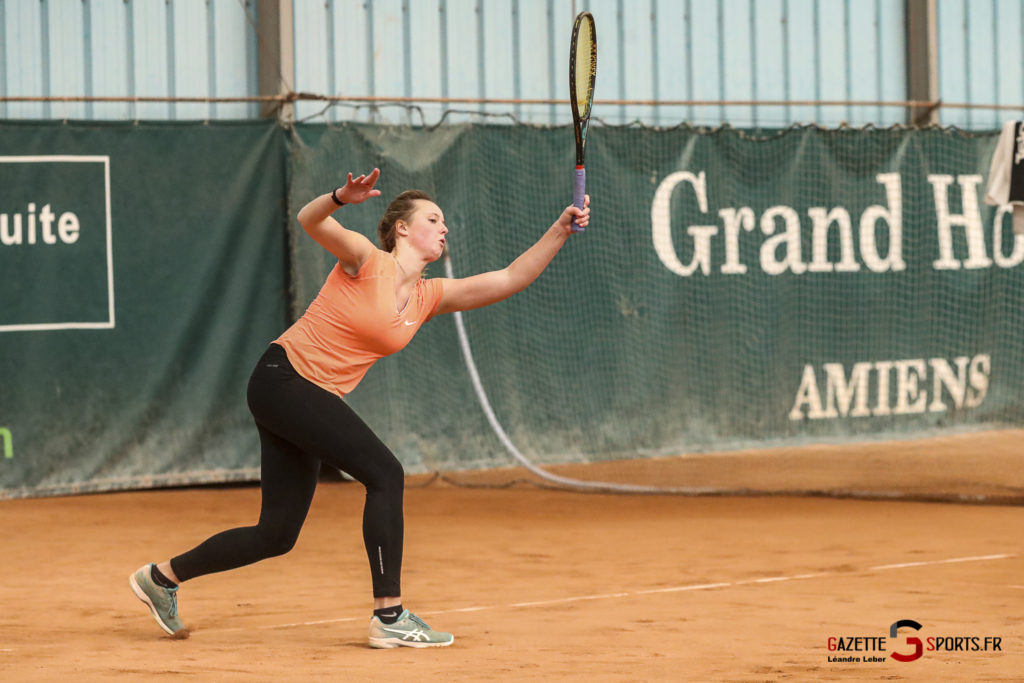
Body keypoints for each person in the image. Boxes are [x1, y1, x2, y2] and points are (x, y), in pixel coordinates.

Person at [129, 167, 591, 648]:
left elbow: (511, 277)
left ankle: (160, 579)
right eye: (434, 218)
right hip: (283, 378)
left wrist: (559, 230)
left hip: (304, 396)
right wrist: (338, 198)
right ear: (402, 229)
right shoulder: (365, 259)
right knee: (386, 474)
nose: (444, 227)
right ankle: (388, 616)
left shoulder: (429, 296)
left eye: (445, 221)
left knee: (276, 534)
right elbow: (310, 221)